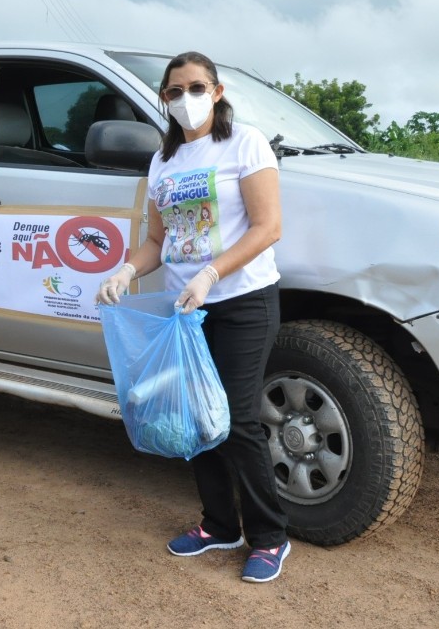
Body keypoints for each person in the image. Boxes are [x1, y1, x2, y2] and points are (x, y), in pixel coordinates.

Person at [95, 51, 289, 583]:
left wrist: (212, 273)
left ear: (218, 91)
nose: (187, 98)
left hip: (242, 300)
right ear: (164, 99)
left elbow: (267, 227)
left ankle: (269, 537)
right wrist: (125, 271)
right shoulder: (163, 162)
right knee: (196, 414)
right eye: (175, 91)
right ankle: (219, 524)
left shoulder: (245, 143)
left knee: (239, 420)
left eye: (196, 87)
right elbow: (158, 240)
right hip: (186, 311)